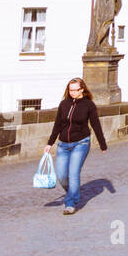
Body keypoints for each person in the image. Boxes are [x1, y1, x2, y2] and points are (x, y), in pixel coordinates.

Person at [43, 77, 107, 214]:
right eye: (70, 90)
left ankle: (70, 203)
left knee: (73, 173)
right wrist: (50, 143)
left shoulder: (89, 105)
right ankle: (73, 192)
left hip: (81, 143)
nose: (72, 92)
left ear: (82, 89)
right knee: (61, 175)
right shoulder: (64, 104)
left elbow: (96, 124)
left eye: (75, 90)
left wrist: (102, 144)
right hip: (63, 144)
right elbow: (58, 125)